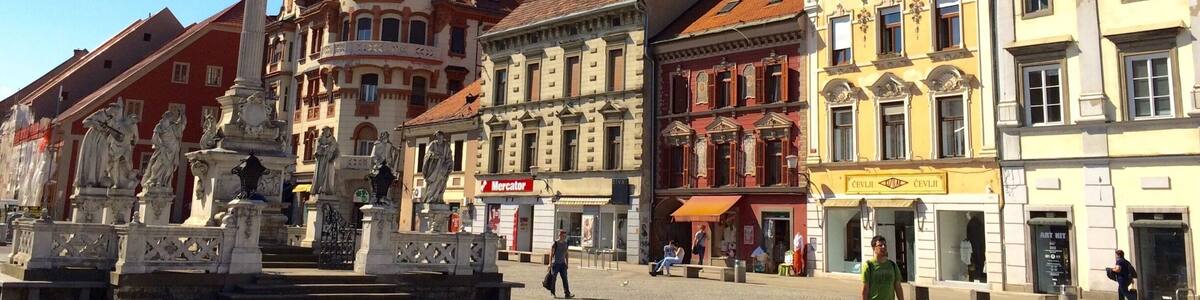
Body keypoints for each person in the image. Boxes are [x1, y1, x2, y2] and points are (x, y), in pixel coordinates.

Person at [862, 236, 903, 300]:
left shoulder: (893, 265)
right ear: (873, 248)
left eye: (885, 245)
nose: (883, 247)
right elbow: (865, 290)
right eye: (880, 245)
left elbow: (898, 287)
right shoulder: (868, 266)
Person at [548, 230, 574, 299]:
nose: (565, 237)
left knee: (565, 279)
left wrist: (567, 263)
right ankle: (553, 293)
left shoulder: (566, 243)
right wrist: (550, 263)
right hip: (555, 264)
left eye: (565, 236)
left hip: (562, 264)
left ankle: (567, 293)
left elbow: (566, 253)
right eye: (563, 235)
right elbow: (551, 253)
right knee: (553, 279)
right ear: (560, 235)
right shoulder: (555, 243)